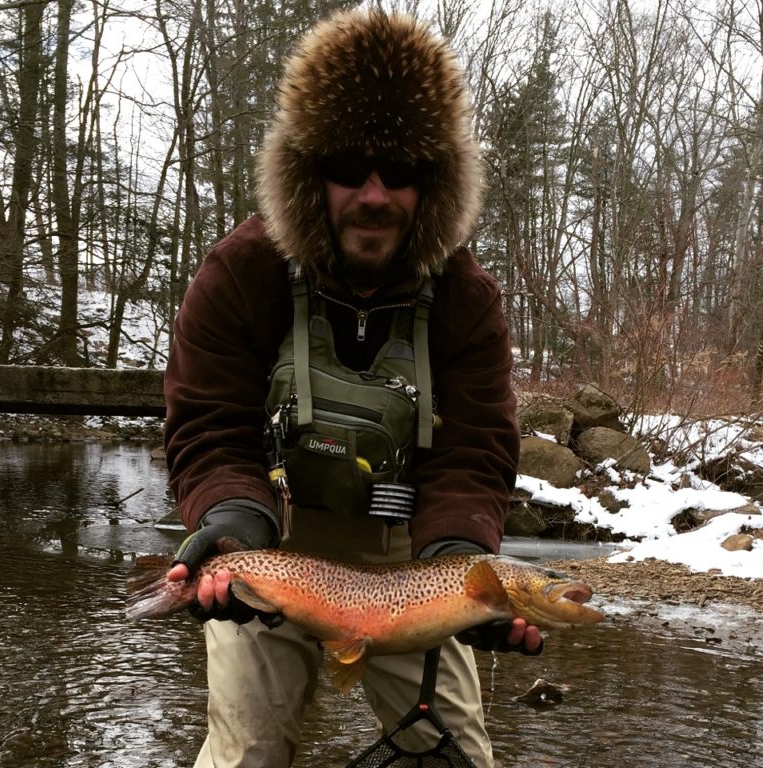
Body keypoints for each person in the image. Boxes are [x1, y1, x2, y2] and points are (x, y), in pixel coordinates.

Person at [164, 8, 542, 768]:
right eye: (348, 165)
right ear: (310, 173)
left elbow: (473, 455)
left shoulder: (468, 301)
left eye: (399, 171)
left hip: (408, 562)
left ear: (430, 183)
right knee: (247, 754)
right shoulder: (241, 272)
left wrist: (465, 565)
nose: (374, 194)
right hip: (274, 540)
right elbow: (208, 428)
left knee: (456, 756)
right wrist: (233, 522)